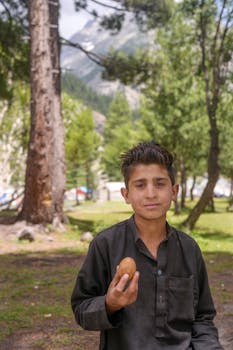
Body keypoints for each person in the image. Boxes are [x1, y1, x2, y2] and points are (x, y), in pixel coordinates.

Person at [71, 141, 223, 350]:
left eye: (160, 183)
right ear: (126, 195)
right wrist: (110, 304)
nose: (151, 193)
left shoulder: (189, 249)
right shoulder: (105, 244)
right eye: (140, 185)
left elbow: (203, 318)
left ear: (174, 191)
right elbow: (81, 309)